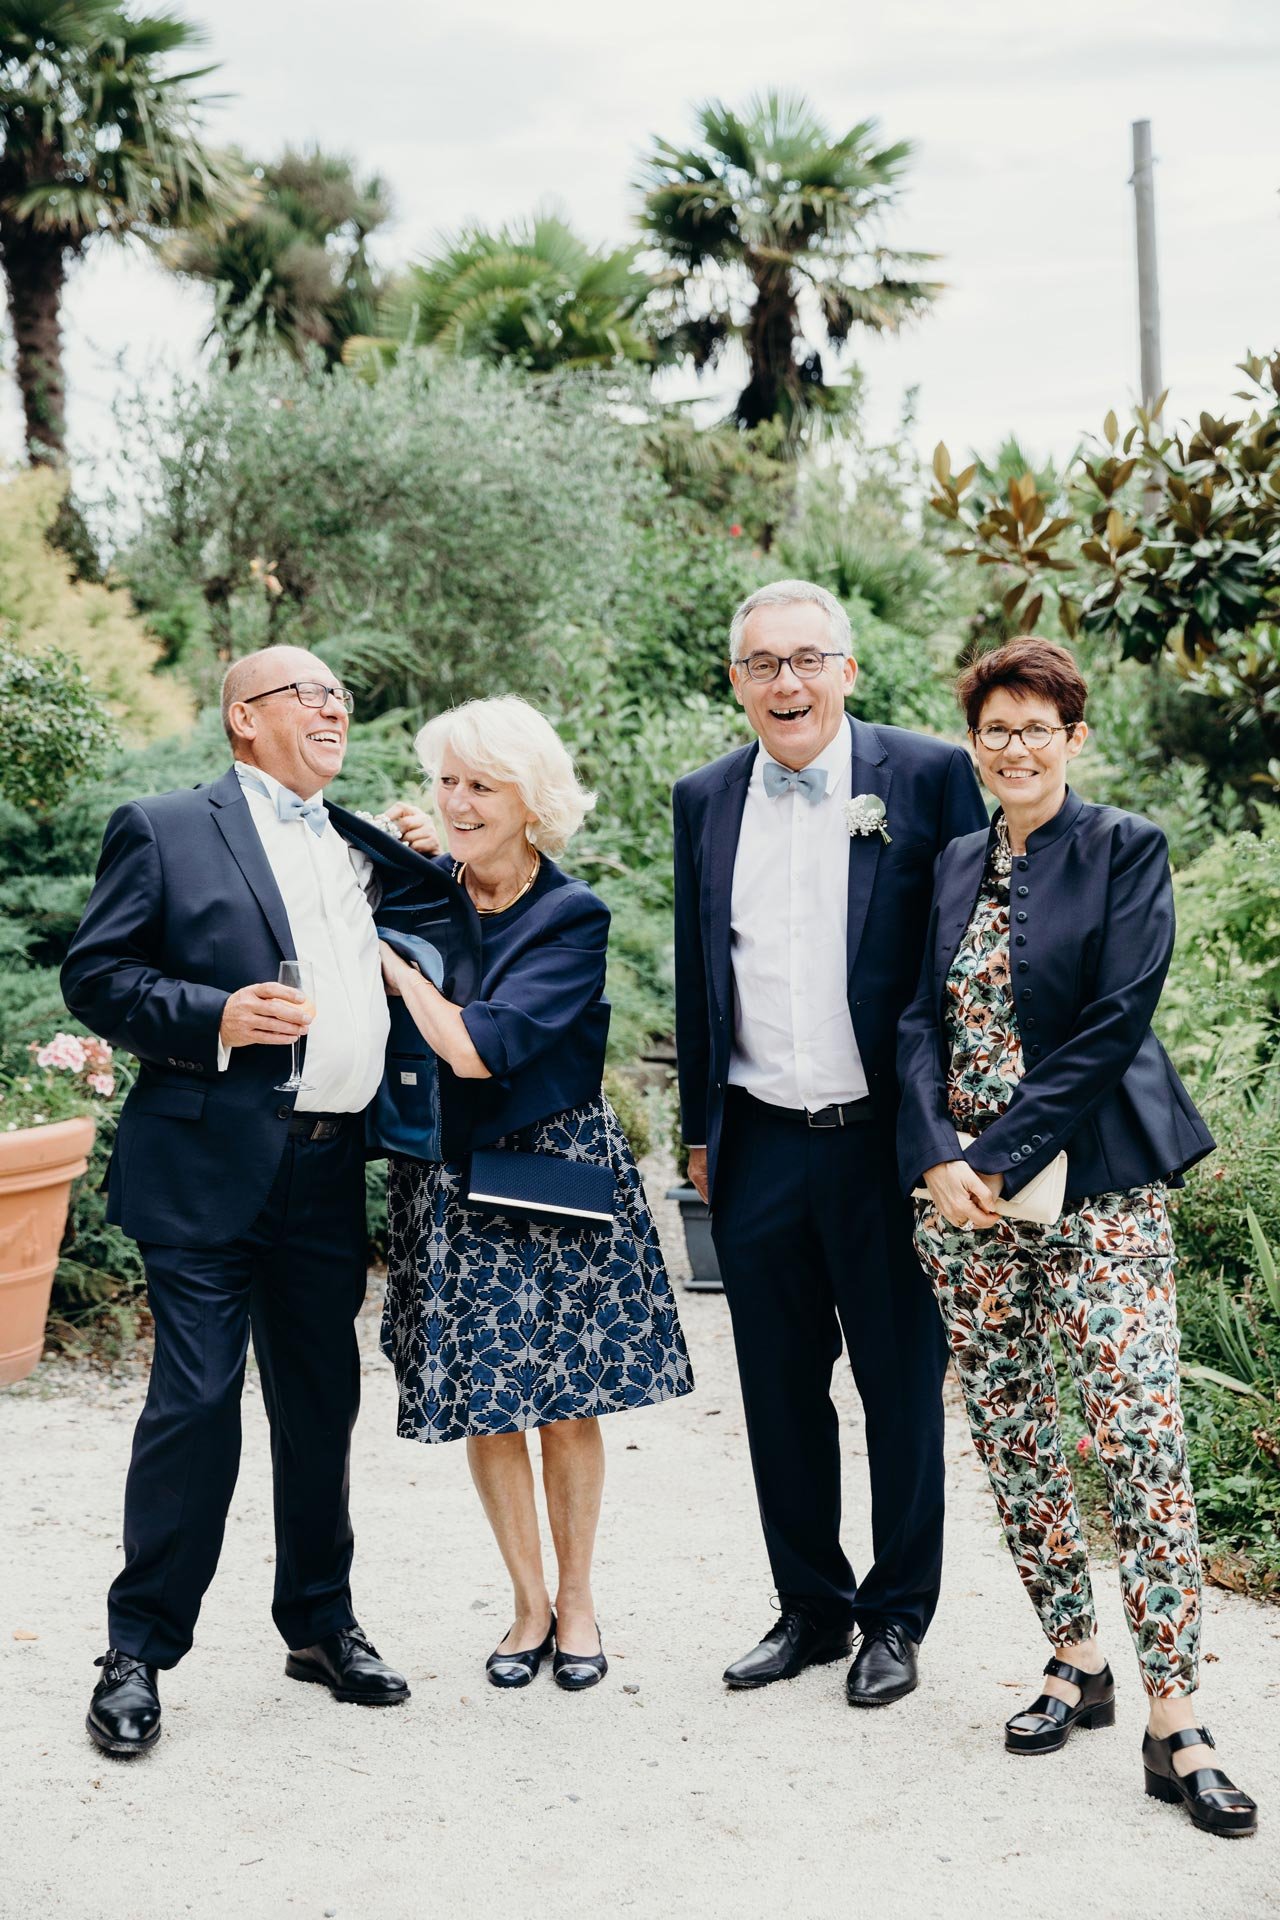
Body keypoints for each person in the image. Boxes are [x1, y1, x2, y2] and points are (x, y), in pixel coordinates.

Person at [62, 646, 473, 1757]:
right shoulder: (164, 826)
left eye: (341, 696)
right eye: (310, 693)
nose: (335, 707)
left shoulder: (355, 841)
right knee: (195, 1405)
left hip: (331, 1168)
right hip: (204, 1167)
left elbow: (454, 943)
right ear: (246, 719)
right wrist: (212, 1014)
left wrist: (430, 863)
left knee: (319, 1402)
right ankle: (138, 1650)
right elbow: (95, 976)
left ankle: (319, 1624)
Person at [898, 637, 1256, 1837]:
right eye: (993, 729)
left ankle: (1175, 1718)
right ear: (972, 742)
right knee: (1007, 1429)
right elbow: (912, 1020)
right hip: (959, 1207)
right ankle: (1071, 1659)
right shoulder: (949, 860)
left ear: (1072, 739)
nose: (1012, 748)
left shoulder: (1122, 849)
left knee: (1137, 1435)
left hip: (1092, 1188)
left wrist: (992, 1158)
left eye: (1034, 729)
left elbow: (1110, 1026)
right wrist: (936, 1160)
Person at [672, 579, 988, 1705]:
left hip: (886, 1149)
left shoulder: (928, 777)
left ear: (847, 671)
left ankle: (895, 1617)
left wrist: (961, 1135)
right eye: (762, 664)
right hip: (756, 1141)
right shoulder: (702, 798)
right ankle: (808, 1606)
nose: (786, 682)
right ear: (735, 683)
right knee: (777, 1389)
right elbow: (699, 976)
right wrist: (696, 1142)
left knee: (901, 1386)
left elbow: (973, 957)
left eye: (807, 659)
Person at [377, 695, 693, 1692]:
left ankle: (581, 1602)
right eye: (447, 782)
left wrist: (394, 969)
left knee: (562, 1400)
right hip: (447, 1177)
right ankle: (525, 1605)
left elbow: (481, 1047)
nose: (460, 801)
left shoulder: (571, 915)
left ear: (532, 801)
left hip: (549, 1167)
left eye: (483, 785)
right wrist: (413, 870)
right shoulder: (428, 890)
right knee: (485, 1403)